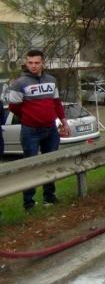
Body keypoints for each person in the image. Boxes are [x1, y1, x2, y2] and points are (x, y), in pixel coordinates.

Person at [8, 49, 70, 211]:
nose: (33, 66)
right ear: (26, 63)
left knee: (50, 163)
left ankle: (49, 197)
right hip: (30, 131)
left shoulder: (51, 80)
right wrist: (30, 116)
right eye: (30, 63)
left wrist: (64, 122)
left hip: (50, 129)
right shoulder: (19, 83)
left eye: (37, 63)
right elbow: (14, 107)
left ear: (43, 63)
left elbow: (56, 104)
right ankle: (29, 203)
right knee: (31, 166)